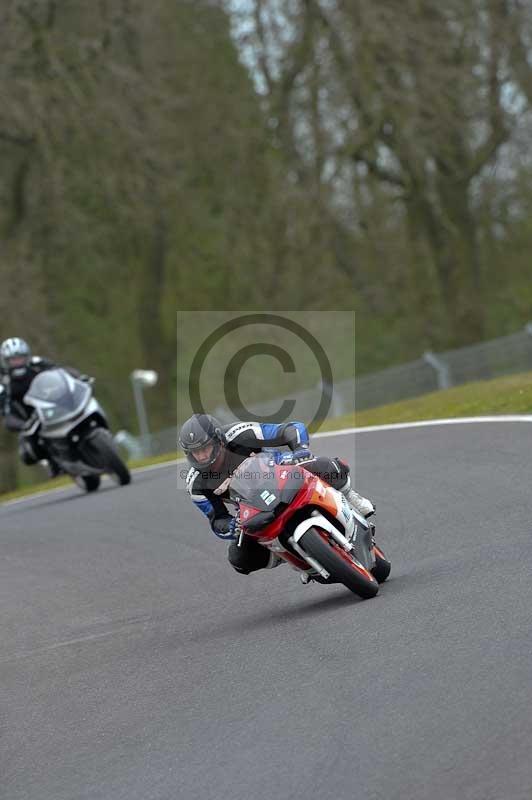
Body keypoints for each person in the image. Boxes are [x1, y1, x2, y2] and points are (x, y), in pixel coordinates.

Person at [179, 413, 374, 576]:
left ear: (218, 440)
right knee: (238, 559)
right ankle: (281, 554)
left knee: (325, 465)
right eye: (196, 452)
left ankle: (349, 496)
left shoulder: (240, 433)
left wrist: (300, 449)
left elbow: (290, 429)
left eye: (206, 448)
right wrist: (231, 526)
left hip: (283, 471)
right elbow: (216, 519)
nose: (203, 456)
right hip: (252, 507)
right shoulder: (195, 483)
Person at [0, 337, 85, 476]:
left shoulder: (38, 364)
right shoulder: (4, 384)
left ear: (26, 356)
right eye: (13, 360)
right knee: (29, 451)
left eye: (20, 358)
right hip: (31, 421)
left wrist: (78, 378)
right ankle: (52, 460)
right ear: (6, 362)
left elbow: (61, 372)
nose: (17, 363)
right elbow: (7, 416)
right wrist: (23, 425)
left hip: (54, 407)